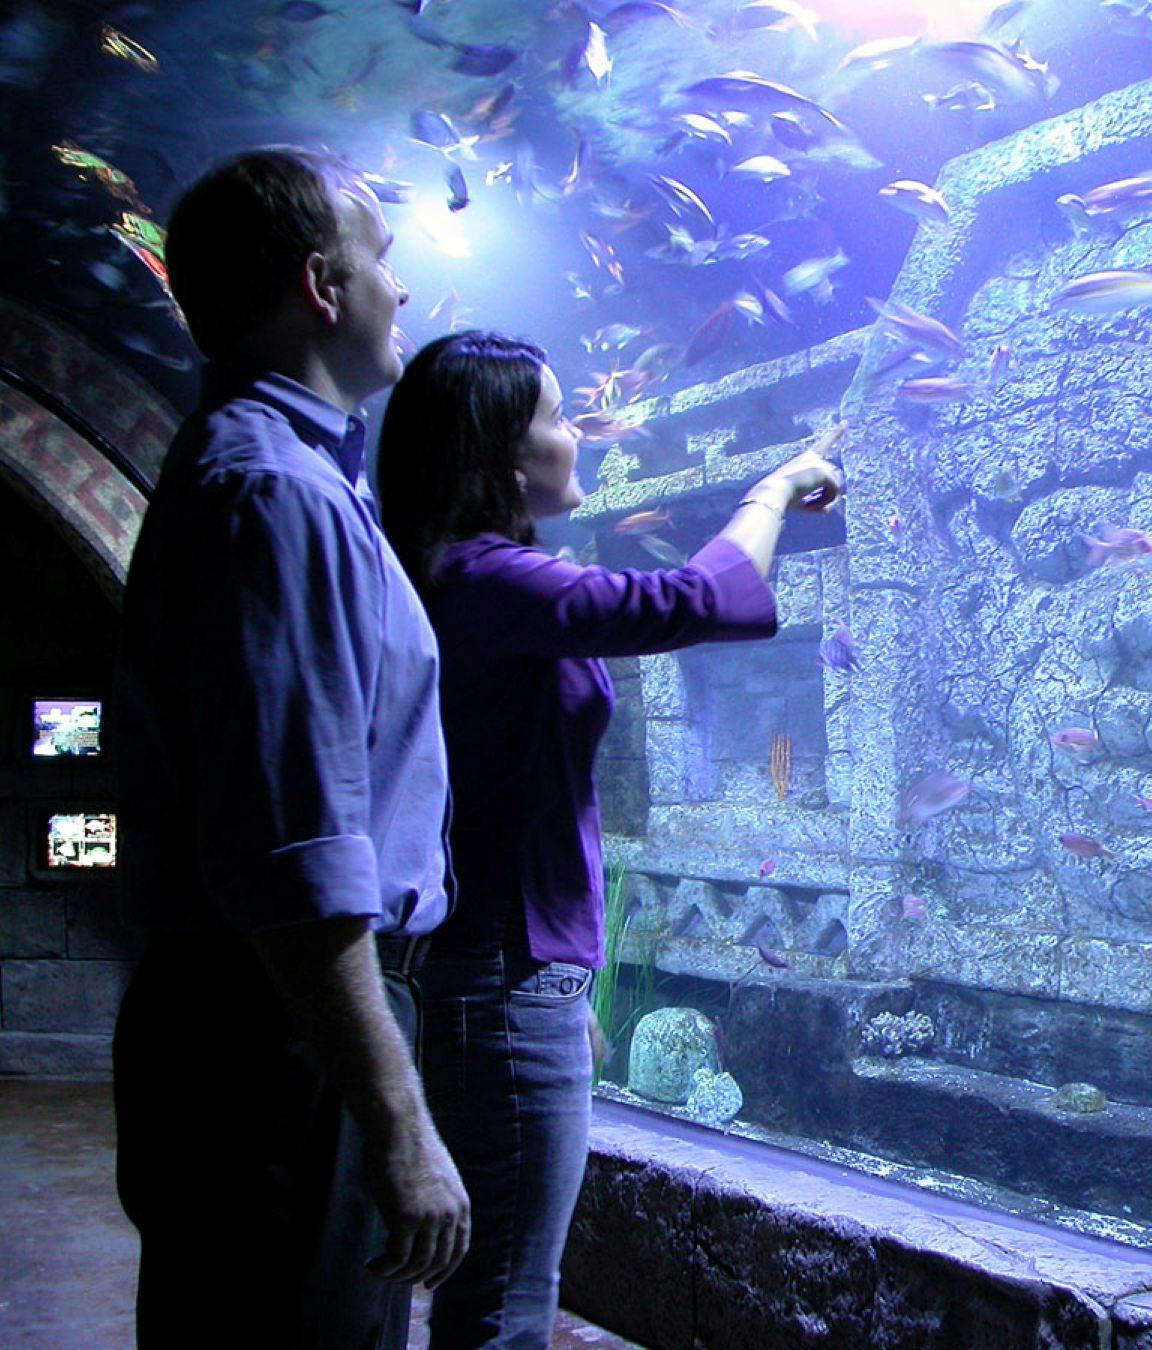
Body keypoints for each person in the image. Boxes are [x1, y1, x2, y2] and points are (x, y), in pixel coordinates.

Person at [374, 330, 843, 1348]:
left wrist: (567, 988)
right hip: (501, 973)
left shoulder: (476, 580)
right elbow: (700, 600)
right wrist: (771, 491)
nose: (577, 435)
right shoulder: (490, 583)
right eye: (557, 418)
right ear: (504, 458)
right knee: (505, 1298)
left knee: (504, 1280)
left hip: (514, 971)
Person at [112, 147, 470, 1347]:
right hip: (282, 1035)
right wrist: (398, 1122)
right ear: (323, 285)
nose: (400, 289)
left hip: (263, 1019)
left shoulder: (275, 472)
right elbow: (296, 853)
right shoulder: (277, 495)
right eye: (381, 260)